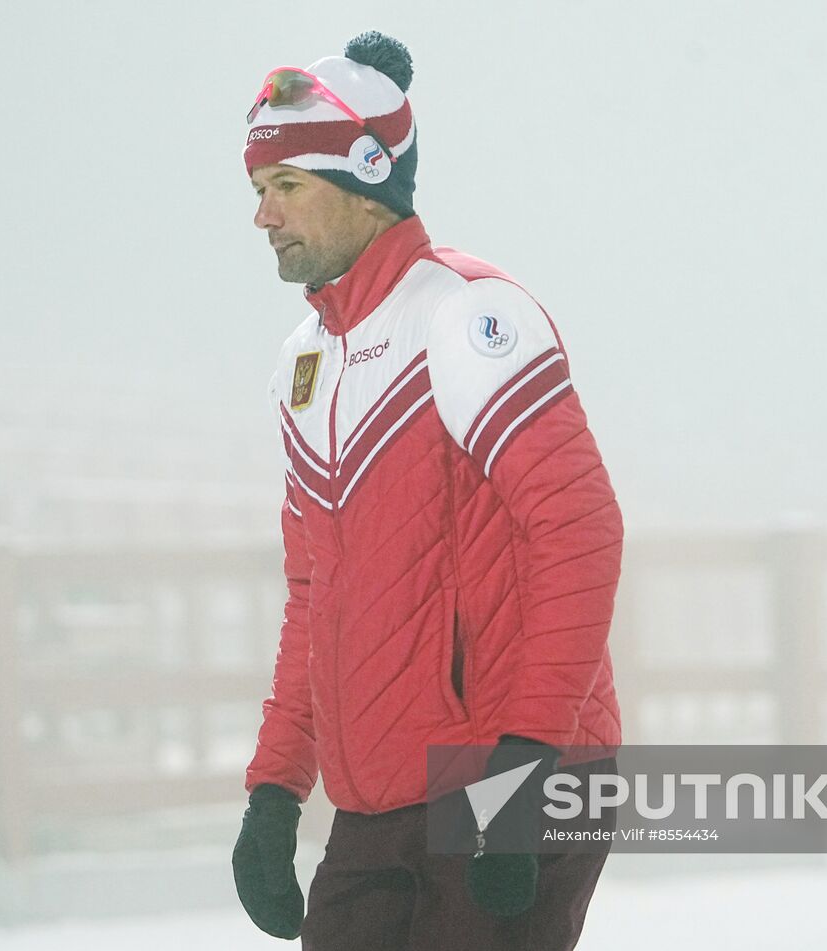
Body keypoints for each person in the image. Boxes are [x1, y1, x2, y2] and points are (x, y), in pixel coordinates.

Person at [232, 31, 625, 951]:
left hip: (510, 773)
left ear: (368, 177)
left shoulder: (468, 314)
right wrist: (276, 789)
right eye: (258, 191)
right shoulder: (305, 361)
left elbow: (581, 532)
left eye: (286, 186)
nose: (263, 216)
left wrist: (523, 770)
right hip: (379, 797)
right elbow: (313, 595)